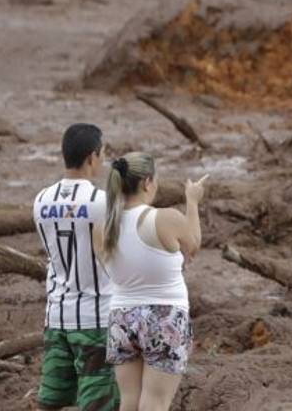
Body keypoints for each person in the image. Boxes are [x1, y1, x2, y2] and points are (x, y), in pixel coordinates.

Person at [95, 152, 207, 411]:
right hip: (164, 316)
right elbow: (194, 245)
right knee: (155, 402)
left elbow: (114, 269)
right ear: (147, 182)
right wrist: (192, 201)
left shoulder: (102, 227)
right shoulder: (165, 218)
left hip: (121, 317)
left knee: (129, 401)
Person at [32, 123, 119, 411]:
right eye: (102, 153)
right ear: (92, 156)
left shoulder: (41, 201)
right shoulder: (101, 202)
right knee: (98, 402)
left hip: (56, 316)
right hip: (96, 319)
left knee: (52, 401)